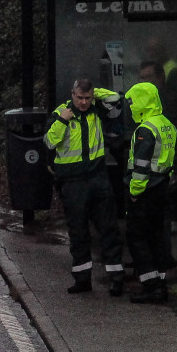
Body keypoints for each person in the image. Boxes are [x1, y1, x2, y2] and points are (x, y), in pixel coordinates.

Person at [44, 78, 126, 296]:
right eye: (79, 97)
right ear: (72, 94)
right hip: (73, 182)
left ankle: (116, 279)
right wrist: (62, 121)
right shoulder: (60, 113)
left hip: (98, 177)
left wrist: (96, 93)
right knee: (78, 232)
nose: (83, 102)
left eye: (87, 98)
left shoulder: (97, 109)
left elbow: (115, 98)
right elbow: (49, 142)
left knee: (108, 228)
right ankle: (82, 279)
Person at [123, 82, 177, 304]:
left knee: (136, 236)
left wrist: (134, 192)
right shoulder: (166, 124)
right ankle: (160, 284)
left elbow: (141, 166)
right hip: (162, 187)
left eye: (133, 101)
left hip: (146, 191)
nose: (131, 106)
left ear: (143, 101)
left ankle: (151, 285)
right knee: (157, 237)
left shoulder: (145, 129)